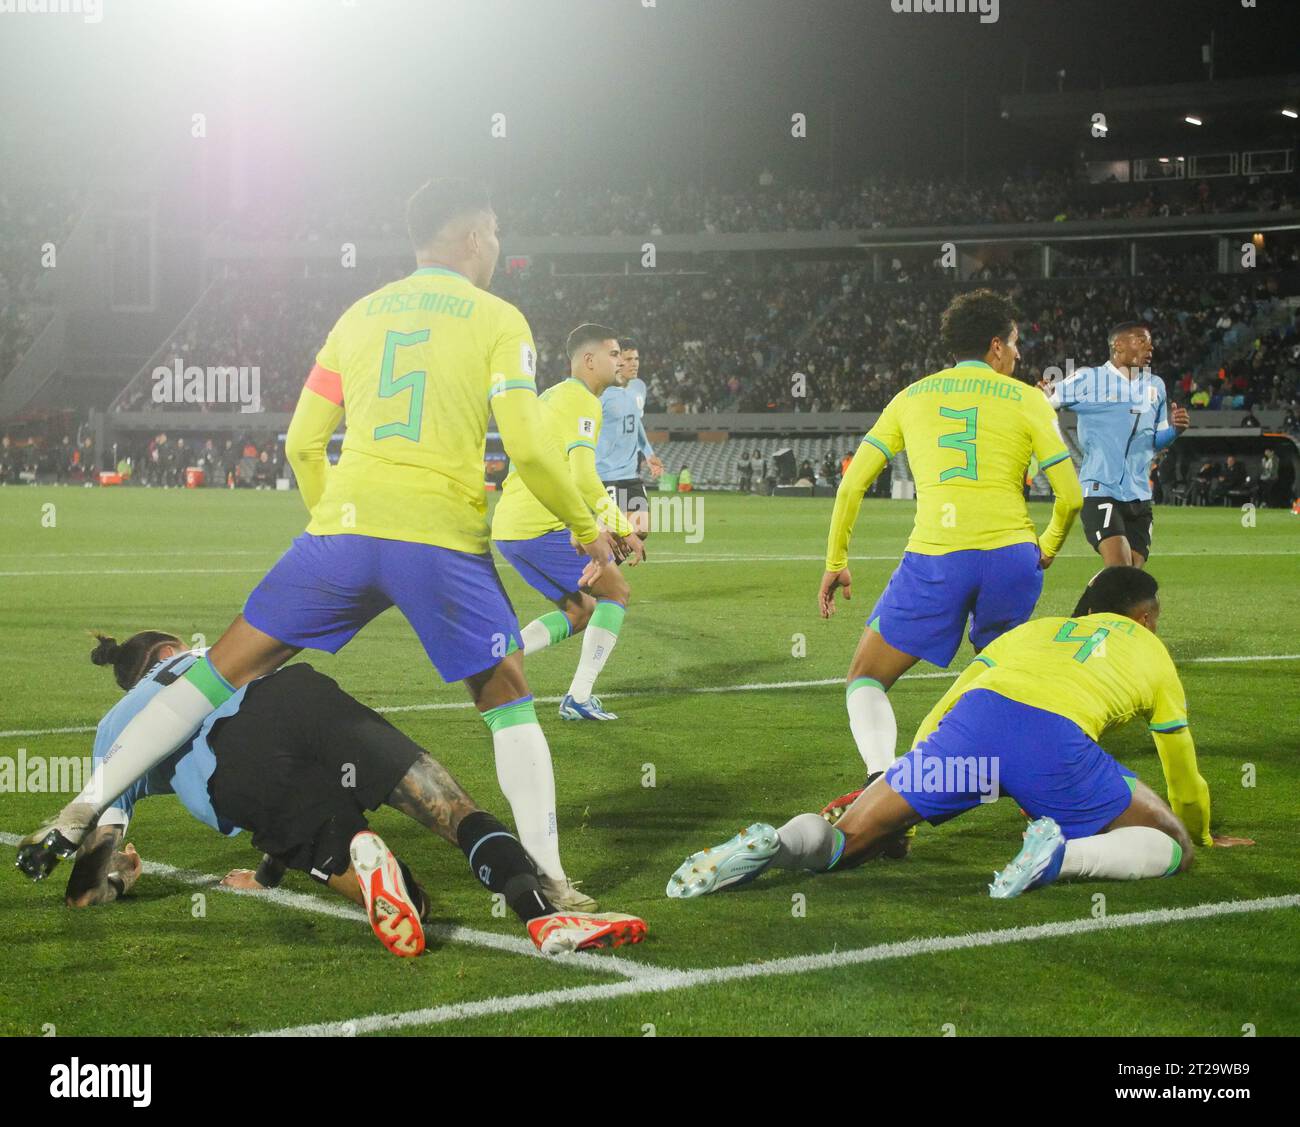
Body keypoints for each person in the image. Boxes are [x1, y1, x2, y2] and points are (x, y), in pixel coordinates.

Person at [18, 179, 618, 913]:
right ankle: (552, 879)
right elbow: (525, 442)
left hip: (340, 529)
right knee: (507, 700)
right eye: (493, 231)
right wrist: (591, 531)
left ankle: (89, 800)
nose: (497, 245)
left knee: (213, 674)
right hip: (437, 536)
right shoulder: (500, 318)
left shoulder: (358, 315)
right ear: (471, 238)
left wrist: (335, 523)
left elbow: (303, 441)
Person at [669, 568, 1252, 902]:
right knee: (1172, 843)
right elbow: (1180, 764)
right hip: (1054, 743)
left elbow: (947, 706)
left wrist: (906, 784)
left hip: (968, 729)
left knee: (848, 841)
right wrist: (1200, 826)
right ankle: (1061, 857)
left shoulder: (1036, 631)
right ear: (1145, 617)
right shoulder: (1150, 648)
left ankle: (783, 842)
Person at [62, 631, 645, 958]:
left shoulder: (117, 728)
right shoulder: (213, 658)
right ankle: (544, 918)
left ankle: (365, 858)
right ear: (169, 651)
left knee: (406, 898)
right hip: (300, 696)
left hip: (236, 771)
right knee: (453, 810)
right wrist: (264, 876)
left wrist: (115, 878)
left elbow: (86, 881)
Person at [818, 289, 1082, 823]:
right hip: (1012, 558)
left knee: (866, 679)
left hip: (935, 560)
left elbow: (851, 487)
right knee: (1004, 684)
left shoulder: (911, 396)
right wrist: (1046, 548)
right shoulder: (1027, 398)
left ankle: (879, 782)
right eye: (1014, 344)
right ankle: (1049, 803)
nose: (1019, 354)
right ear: (994, 347)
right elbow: (1071, 496)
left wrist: (836, 561)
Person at [493, 325, 646, 726]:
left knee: (581, 610)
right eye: (613, 354)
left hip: (514, 526)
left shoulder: (554, 396)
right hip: (538, 524)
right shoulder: (583, 401)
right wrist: (620, 525)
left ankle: (501, 657)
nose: (620, 360)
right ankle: (579, 697)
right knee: (616, 590)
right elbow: (581, 477)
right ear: (589, 360)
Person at [1042, 322, 1189, 575]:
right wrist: (1040, 394)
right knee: (1120, 569)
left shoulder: (1156, 386)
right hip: (1101, 489)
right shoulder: (1089, 378)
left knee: (1131, 577)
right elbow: (1044, 404)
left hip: (1140, 495)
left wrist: (1175, 430)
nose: (1150, 347)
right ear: (1118, 345)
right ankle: (1091, 613)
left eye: (1150, 342)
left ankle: (1092, 610)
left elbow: (1155, 441)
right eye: (1141, 341)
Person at [595, 340, 664, 536]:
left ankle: (600, 566)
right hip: (605, 475)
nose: (634, 363)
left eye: (636, 358)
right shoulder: (601, 394)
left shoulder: (638, 387)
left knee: (641, 530)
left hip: (629, 474)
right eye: (628, 359)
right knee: (611, 534)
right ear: (616, 361)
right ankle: (594, 565)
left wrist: (649, 454)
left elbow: (635, 422)